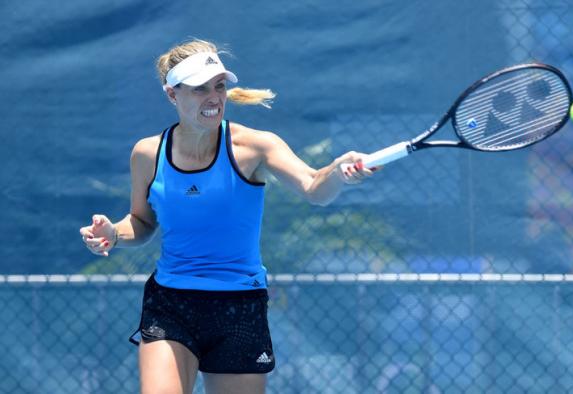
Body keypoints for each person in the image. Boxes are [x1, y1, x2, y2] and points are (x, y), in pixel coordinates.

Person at [79, 38, 377, 394]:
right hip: (171, 302)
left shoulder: (255, 147)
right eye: (199, 88)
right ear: (172, 95)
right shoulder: (147, 154)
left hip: (239, 305)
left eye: (219, 86)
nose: (214, 97)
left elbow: (314, 188)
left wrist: (337, 170)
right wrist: (114, 233)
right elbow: (142, 224)